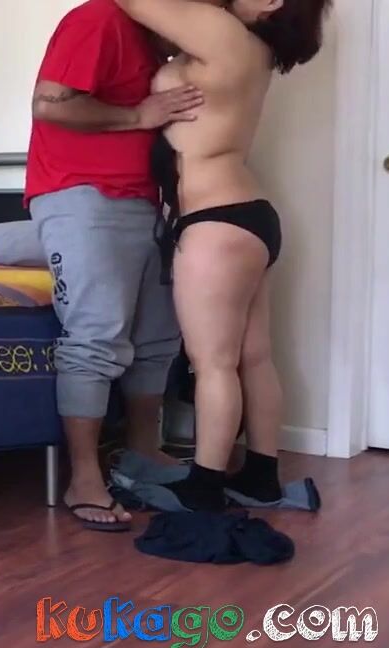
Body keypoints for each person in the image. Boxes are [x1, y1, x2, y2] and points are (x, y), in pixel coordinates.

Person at [114, 0, 331, 511]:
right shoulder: (253, 49)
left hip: (215, 222)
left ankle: (205, 486)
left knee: (212, 362)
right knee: (254, 358)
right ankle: (260, 477)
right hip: (248, 218)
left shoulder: (224, 33)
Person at [26, 0, 204, 531]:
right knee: (96, 335)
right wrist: (138, 115)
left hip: (145, 204)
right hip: (84, 198)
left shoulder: (155, 46)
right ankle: (84, 479)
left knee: (157, 339)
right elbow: (49, 104)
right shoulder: (100, 19)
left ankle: (143, 454)